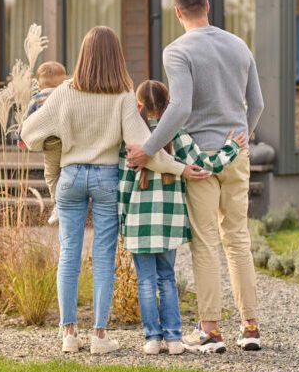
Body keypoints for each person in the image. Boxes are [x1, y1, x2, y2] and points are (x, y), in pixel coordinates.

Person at [21, 26, 204, 355]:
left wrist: (57, 140)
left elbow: (29, 133)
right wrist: (180, 168)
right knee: (103, 258)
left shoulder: (63, 92)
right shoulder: (122, 97)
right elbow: (145, 150)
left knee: (69, 256)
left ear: (83, 55)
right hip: (106, 179)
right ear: (116, 57)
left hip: (71, 176)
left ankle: (68, 334)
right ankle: (99, 337)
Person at [127, 0, 264, 353]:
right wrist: (242, 139)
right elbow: (258, 103)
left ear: (176, 12)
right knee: (237, 240)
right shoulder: (239, 45)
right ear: (208, 3)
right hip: (235, 155)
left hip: (199, 161)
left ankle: (211, 331)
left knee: (205, 244)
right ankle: (250, 326)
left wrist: (148, 148)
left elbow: (181, 106)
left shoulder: (177, 51)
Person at [119, 79, 246, 356]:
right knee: (166, 278)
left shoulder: (131, 137)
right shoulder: (178, 134)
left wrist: (123, 220)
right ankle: (175, 339)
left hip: (139, 224)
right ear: (169, 107)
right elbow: (205, 165)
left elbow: (123, 184)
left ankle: (152, 339)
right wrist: (231, 148)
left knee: (145, 281)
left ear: (138, 105)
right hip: (170, 222)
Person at [18, 61, 66, 225]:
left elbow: (26, 121)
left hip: (50, 144)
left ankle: (59, 205)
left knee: (52, 175)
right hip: (67, 141)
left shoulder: (37, 99)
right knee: (66, 171)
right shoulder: (66, 95)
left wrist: (21, 138)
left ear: (39, 84)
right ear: (63, 81)